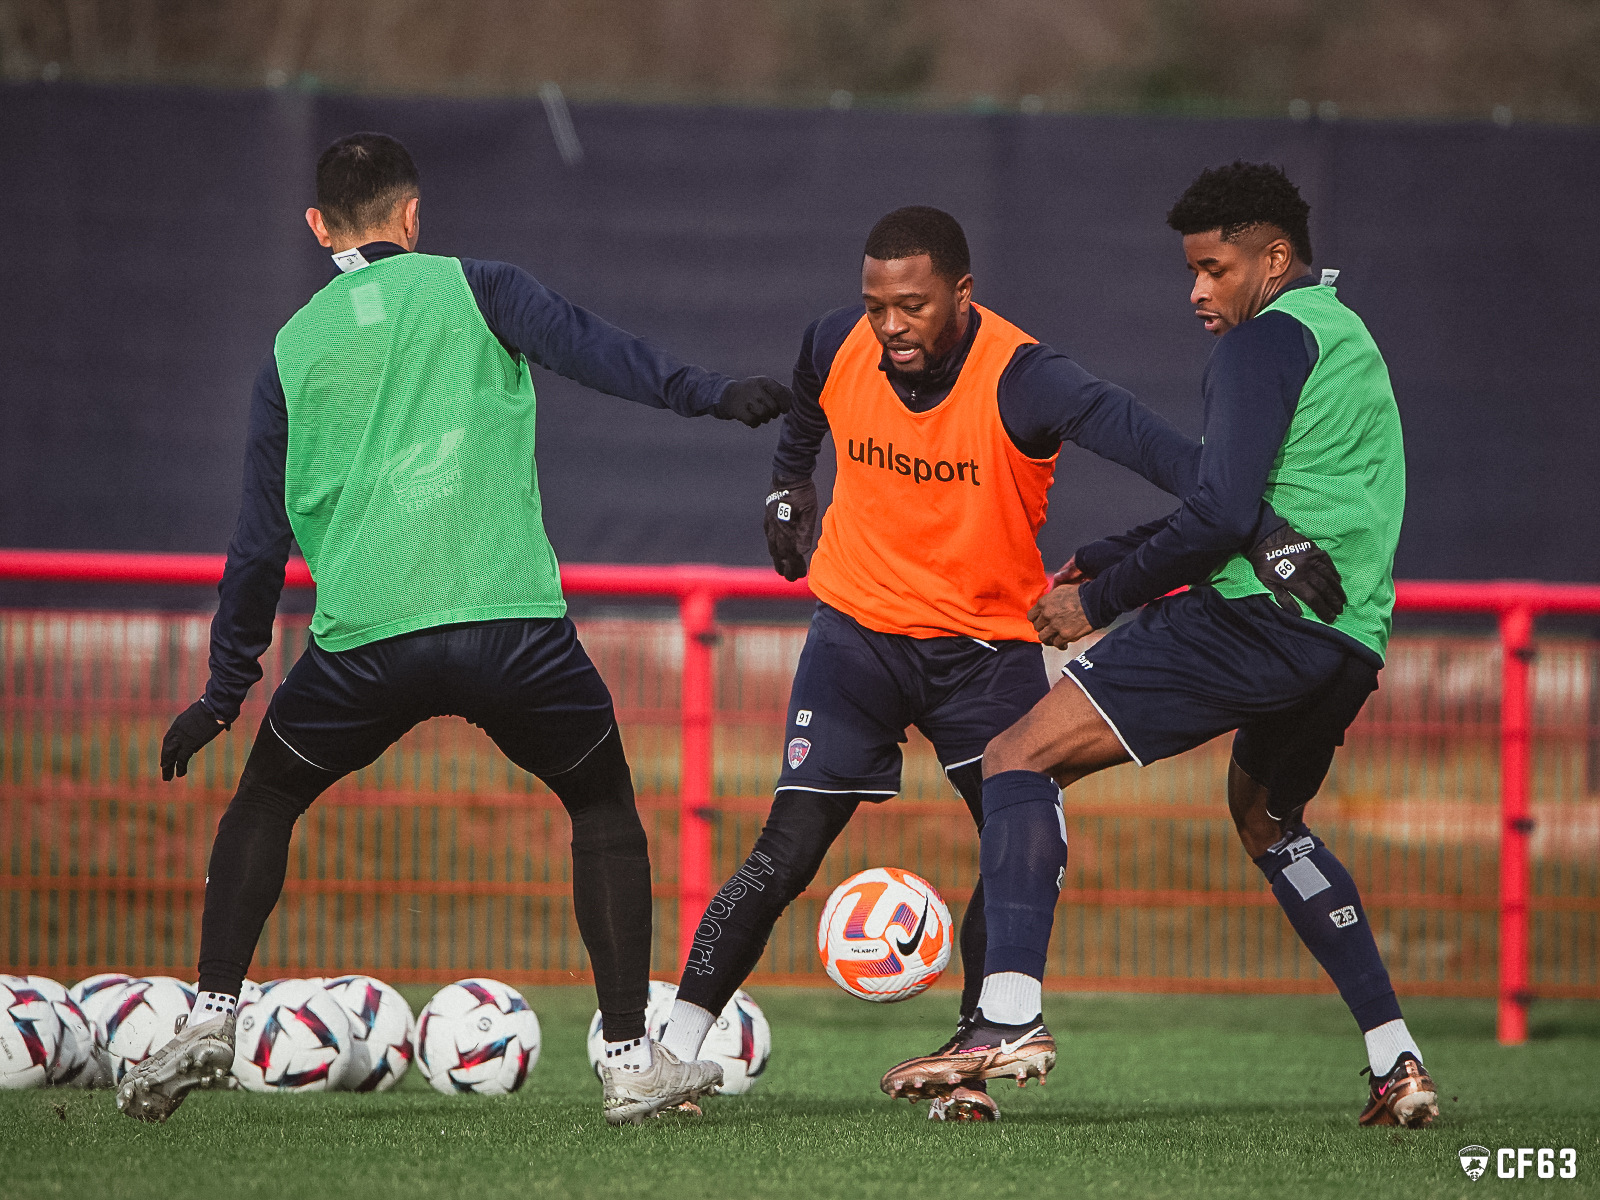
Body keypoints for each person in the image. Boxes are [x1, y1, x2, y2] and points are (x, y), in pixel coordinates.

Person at [115, 132, 791, 1126]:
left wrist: (224, 691)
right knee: (600, 808)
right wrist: (712, 397)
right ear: (411, 216)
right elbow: (602, 353)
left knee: (263, 802)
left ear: (318, 228)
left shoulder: (292, 351)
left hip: (363, 645)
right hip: (510, 628)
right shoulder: (481, 287)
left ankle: (212, 1020)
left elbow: (255, 543)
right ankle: (626, 1061)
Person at [655, 204, 1342, 1122]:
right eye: (875, 305)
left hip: (985, 653)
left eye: (912, 305)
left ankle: (977, 1057)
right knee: (785, 849)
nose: (890, 325)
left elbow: (1170, 455)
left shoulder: (1029, 379)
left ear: (962, 295)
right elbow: (808, 394)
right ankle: (666, 1059)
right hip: (856, 637)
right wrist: (789, 481)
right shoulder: (838, 338)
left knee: (1016, 837)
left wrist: (1266, 535)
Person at [881, 162, 1436, 1129]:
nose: (1197, 292)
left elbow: (1223, 514)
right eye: (1191, 271)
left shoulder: (1264, 343)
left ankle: (1003, 1019)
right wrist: (1113, 551)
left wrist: (1102, 600)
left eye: (1214, 269)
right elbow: (1264, 503)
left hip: (1247, 624)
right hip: (1347, 643)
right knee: (1272, 824)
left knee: (1018, 757)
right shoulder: (1346, 334)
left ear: (1271, 260)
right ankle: (1398, 1062)